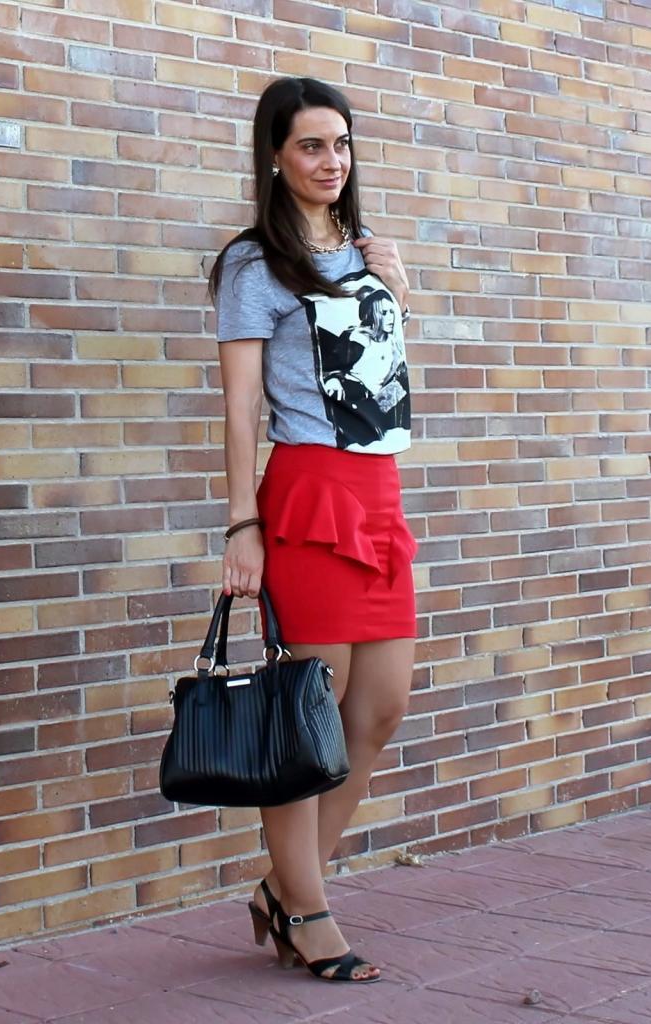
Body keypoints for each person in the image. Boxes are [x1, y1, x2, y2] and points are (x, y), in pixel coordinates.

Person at [207, 76, 417, 984]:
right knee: (310, 712)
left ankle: (284, 887)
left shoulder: (368, 251)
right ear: (274, 157)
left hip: (377, 491)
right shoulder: (253, 264)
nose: (331, 162)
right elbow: (240, 408)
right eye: (310, 146)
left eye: (340, 144)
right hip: (307, 493)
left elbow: (379, 383)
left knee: (379, 707)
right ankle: (307, 909)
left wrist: (397, 289)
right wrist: (241, 523)